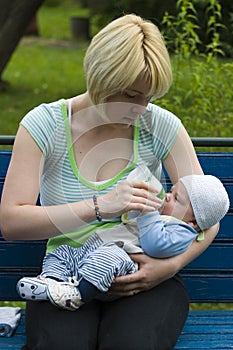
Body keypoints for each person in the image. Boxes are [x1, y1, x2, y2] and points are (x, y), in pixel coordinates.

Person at [0, 13, 221, 350]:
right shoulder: (44, 125)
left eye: (149, 97)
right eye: (131, 95)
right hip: (67, 276)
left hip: (144, 279)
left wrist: (169, 266)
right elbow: (12, 222)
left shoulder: (160, 126)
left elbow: (207, 214)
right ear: (102, 78)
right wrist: (100, 206)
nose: (141, 108)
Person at [16, 173, 229, 311]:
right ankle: (51, 281)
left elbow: (155, 245)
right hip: (95, 248)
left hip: (123, 262)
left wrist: (147, 213)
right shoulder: (168, 215)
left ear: (194, 222)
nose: (167, 197)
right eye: (171, 191)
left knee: (106, 258)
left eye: (176, 198)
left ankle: (77, 295)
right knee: (63, 252)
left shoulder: (182, 230)